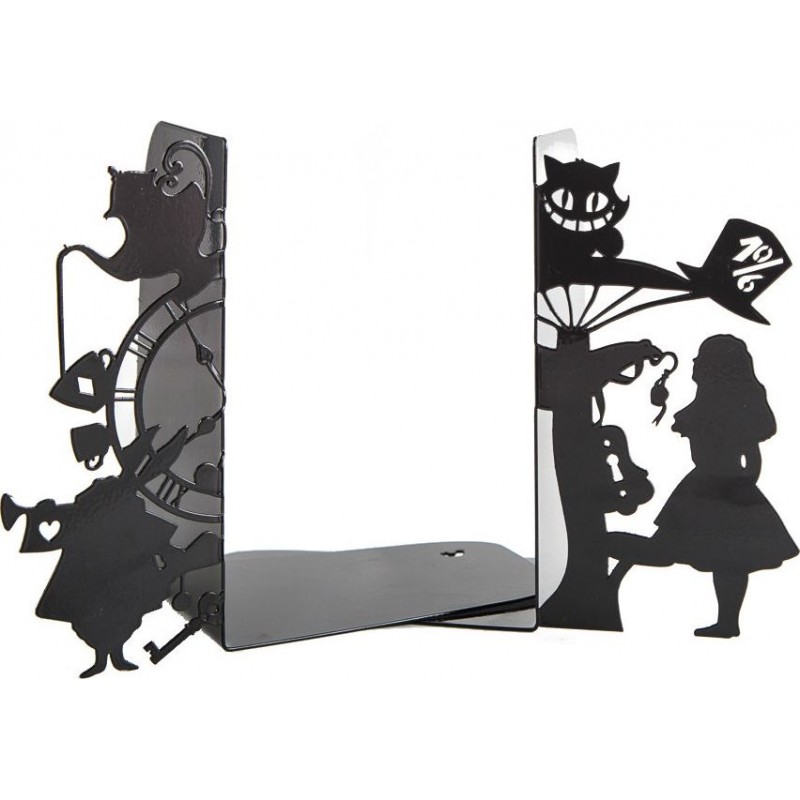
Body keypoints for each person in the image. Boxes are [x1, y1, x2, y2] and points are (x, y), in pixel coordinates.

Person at [608, 334, 797, 637]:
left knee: (721, 558)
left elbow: (751, 454)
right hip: (717, 487)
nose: (694, 362)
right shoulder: (717, 407)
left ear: (713, 367)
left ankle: (603, 544)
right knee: (721, 559)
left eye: (700, 358)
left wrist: (743, 484)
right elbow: (751, 455)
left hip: (714, 489)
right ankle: (604, 544)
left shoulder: (718, 409)